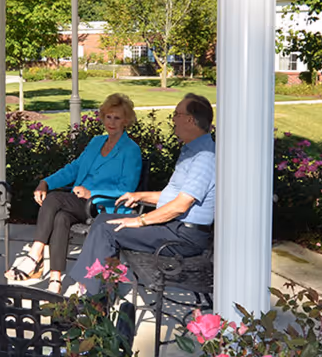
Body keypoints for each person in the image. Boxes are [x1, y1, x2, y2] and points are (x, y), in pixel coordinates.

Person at [68, 93, 215, 295]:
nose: (173, 120)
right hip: (173, 226)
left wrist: (140, 220)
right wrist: (139, 196)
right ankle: (94, 288)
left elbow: (181, 205)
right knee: (103, 220)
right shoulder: (192, 151)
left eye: (176, 114)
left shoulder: (205, 157)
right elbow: (171, 197)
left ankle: (91, 297)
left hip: (183, 236)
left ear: (190, 120)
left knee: (108, 230)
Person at [7, 93, 143, 293]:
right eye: (108, 117)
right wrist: (45, 182)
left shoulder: (131, 150)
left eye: (117, 118)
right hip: (79, 204)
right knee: (61, 218)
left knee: (54, 198)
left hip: (104, 206)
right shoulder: (96, 142)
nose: (112, 122)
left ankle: (34, 255)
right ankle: (55, 280)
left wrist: (92, 192)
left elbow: (127, 190)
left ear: (126, 121)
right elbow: (73, 169)